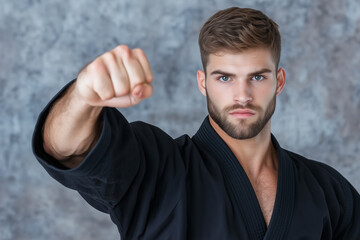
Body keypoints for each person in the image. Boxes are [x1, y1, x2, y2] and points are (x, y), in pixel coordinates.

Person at [32, 7, 360, 240]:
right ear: (203, 83)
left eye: (257, 77)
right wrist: (83, 99)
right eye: (225, 78)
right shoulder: (157, 170)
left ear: (279, 81)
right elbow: (66, 148)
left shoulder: (330, 192)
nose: (242, 95)